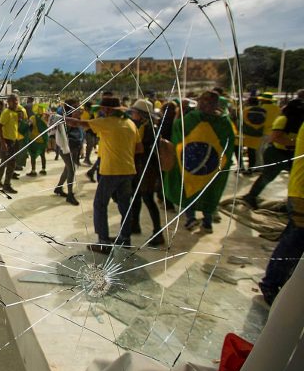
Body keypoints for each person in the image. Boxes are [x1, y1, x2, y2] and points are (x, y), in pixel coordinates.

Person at [68, 96, 138, 251]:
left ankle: (104, 242)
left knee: (100, 204)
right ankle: (125, 238)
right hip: (128, 170)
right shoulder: (130, 124)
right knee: (125, 205)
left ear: (107, 109)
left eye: (102, 108)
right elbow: (138, 148)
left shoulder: (106, 123)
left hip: (111, 171)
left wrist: (57, 118)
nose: (101, 110)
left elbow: (77, 123)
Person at [164, 91, 235, 233]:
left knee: (189, 189)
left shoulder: (191, 118)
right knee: (209, 191)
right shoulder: (224, 122)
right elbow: (229, 143)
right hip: (211, 166)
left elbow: (177, 130)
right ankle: (207, 222)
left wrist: (180, 113)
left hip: (190, 164)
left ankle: (191, 219)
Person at [258, 121, 304, 305]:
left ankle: (279, 281)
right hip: (301, 193)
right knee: (295, 241)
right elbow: (277, 136)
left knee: (294, 238)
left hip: (298, 190)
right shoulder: (284, 119)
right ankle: (272, 283)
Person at [242, 99, 304, 208]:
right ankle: (250, 196)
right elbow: (275, 138)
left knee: (296, 179)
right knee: (267, 176)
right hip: (276, 153)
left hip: (291, 153)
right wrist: (296, 142)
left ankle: (292, 203)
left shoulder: (300, 121)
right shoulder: (283, 120)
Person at [128, 99, 165, 246]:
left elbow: (141, 149)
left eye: (134, 112)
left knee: (148, 199)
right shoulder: (145, 126)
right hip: (141, 167)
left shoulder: (148, 128)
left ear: (141, 114)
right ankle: (135, 224)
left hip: (146, 169)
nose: (132, 114)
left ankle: (158, 232)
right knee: (136, 197)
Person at [0, 94, 22, 195]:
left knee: (4, 162)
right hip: (7, 141)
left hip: (13, 141)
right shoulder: (6, 112)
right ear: (9, 102)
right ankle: (6, 185)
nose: (16, 104)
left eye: (17, 102)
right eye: (14, 102)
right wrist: (3, 143)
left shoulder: (15, 113)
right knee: (11, 164)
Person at [53, 101, 80, 205]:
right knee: (71, 169)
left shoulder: (75, 119)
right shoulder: (66, 120)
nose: (80, 110)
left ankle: (58, 188)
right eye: (77, 108)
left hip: (73, 148)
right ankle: (70, 195)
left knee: (67, 169)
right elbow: (63, 136)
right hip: (66, 148)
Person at [240, 96, 265, 173]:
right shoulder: (264, 110)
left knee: (237, 149)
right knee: (252, 151)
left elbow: (241, 122)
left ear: (249, 102)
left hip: (246, 134)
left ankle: (242, 167)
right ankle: (251, 168)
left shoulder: (246, 110)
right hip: (257, 134)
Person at [26, 104, 48, 177]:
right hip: (43, 139)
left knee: (33, 155)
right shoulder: (45, 118)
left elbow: (28, 125)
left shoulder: (33, 117)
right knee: (43, 155)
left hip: (34, 139)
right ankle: (43, 169)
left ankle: (33, 170)